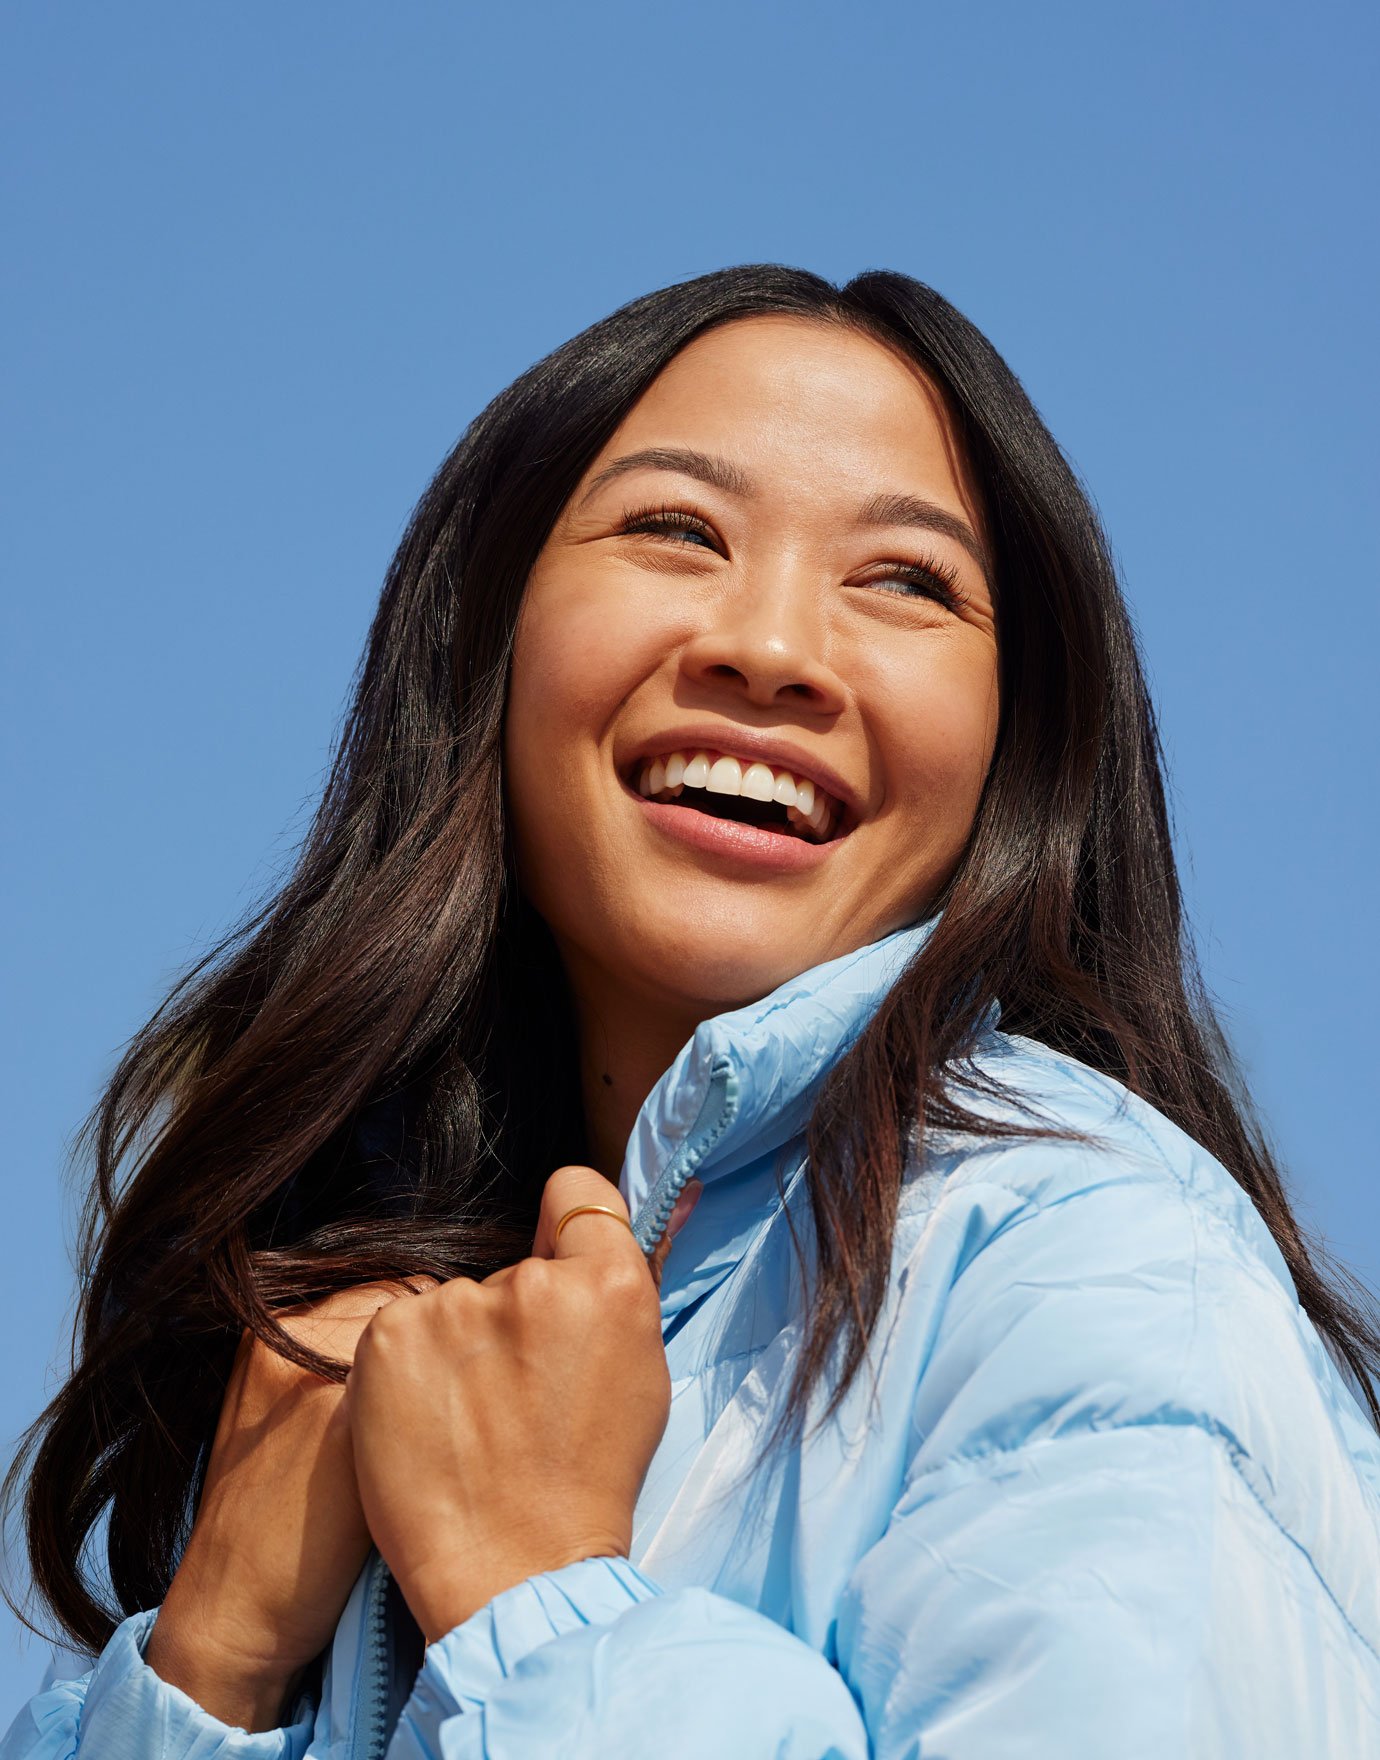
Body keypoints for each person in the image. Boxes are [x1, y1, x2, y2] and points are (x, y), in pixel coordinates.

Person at [3, 265, 1378, 1759]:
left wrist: (536, 1600)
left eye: (907, 580)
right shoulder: (347, 1337)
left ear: (1018, 749)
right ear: (488, 642)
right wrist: (208, 1679)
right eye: (676, 531)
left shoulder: (1100, 1270)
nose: (772, 648)